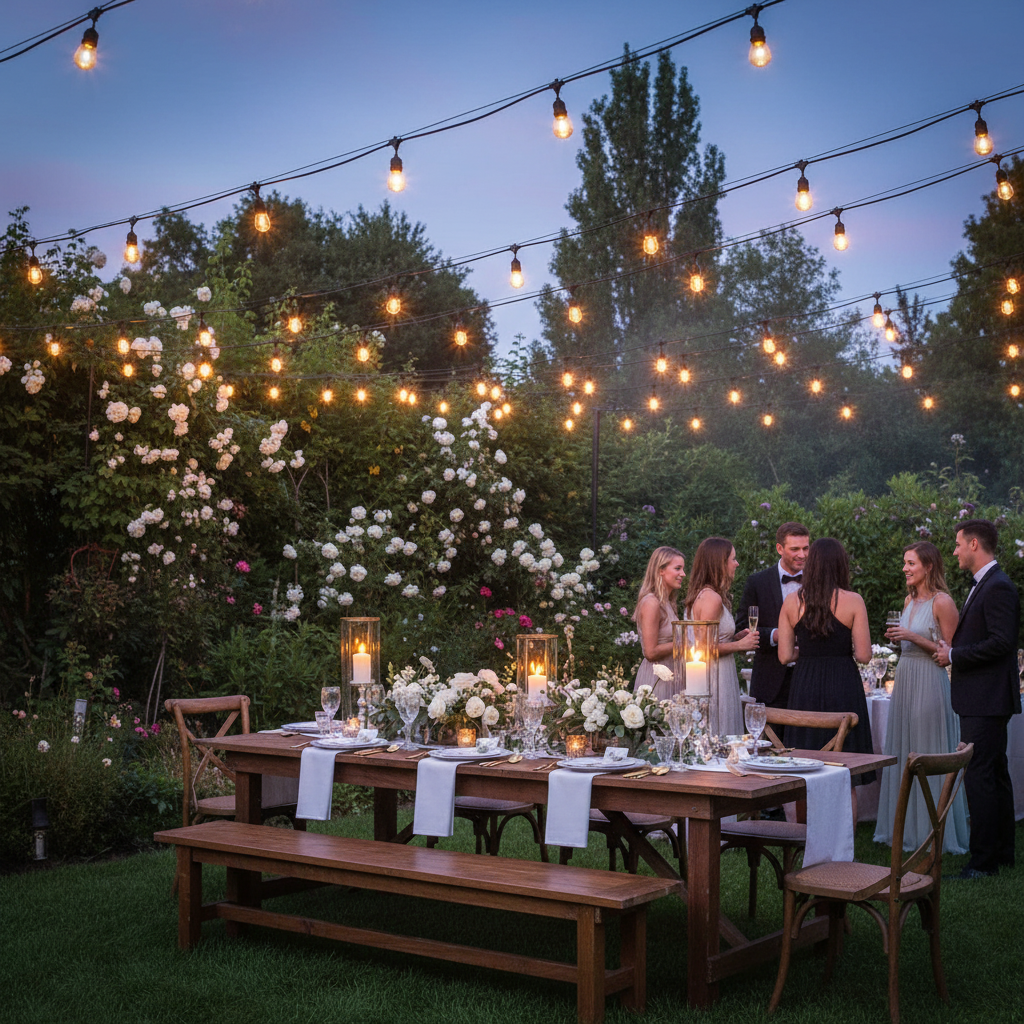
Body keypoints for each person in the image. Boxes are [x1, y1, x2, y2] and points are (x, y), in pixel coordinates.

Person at [934, 519, 1021, 879]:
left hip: (985, 698)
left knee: (981, 776)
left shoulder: (998, 586)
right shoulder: (988, 583)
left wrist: (954, 656)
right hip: (984, 697)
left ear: (973, 544)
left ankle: (982, 862)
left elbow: (1002, 642)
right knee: (995, 773)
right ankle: (1001, 852)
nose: (954, 551)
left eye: (957, 544)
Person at [874, 542, 969, 854]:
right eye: (905, 563)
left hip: (930, 681)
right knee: (906, 747)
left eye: (911, 563)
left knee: (928, 747)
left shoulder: (942, 602)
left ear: (928, 567)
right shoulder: (908, 600)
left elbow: (949, 653)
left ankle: (934, 827)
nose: (905, 568)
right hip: (906, 677)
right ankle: (905, 827)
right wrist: (901, 639)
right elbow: (909, 644)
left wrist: (912, 636)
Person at [778, 538, 876, 811]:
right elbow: (864, 655)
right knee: (845, 771)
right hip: (842, 683)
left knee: (804, 766)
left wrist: (809, 653)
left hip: (805, 685)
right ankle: (845, 846)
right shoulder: (853, 601)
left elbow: (785, 656)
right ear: (840, 566)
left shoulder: (791, 602)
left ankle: (802, 842)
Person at [683, 537, 759, 736]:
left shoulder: (705, 594)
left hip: (718, 671)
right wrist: (741, 645)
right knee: (718, 732)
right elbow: (702, 649)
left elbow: (710, 640)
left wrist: (734, 638)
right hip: (714, 676)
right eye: (733, 559)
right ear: (719, 563)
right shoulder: (711, 598)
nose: (737, 563)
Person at [736, 522, 810, 718]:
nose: (802, 555)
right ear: (779, 548)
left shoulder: (818, 581)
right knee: (769, 745)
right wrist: (777, 635)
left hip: (810, 678)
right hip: (769, 681)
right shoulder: (758, 582)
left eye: (805, 548)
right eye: (795, 549)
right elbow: (742, 627)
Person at [632, 546, 686, 700]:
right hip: (657, 680)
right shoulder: (651, 603)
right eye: (677, 568)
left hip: (672, 676)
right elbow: (650, 652)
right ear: (661, 570)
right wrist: (685, 643)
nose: (683, 574)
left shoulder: (667, 603)